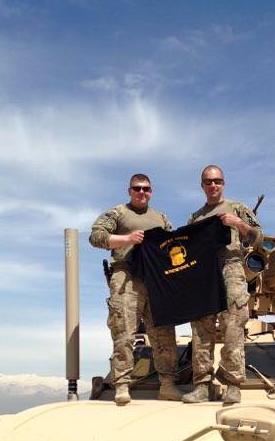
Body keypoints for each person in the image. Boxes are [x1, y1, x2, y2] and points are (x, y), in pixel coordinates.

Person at [89, 174, 181, 405]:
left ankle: (167, 385)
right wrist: (127, 239)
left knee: (163, 333)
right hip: (126, 275)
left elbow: (172, 243)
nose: (142, 192)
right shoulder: (118, 213)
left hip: (156, 278)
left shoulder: (160, 217)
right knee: (124, 332)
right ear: (129, 190)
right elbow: (96, 237)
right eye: (137, 188)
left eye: (146, 189)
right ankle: (121, 384)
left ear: (151, 191)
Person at [182, 165, 263, 404]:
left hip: (231, 267)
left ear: (223, 183)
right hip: (203, 272)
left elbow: (258, 237)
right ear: (202, 186)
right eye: (208, 182)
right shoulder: (195, 218)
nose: (213, 185)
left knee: (233, 325)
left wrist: (238, 223)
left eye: (217, 181)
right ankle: (202, 385)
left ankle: (233, 384)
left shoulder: (236, 208)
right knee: (201, 330)